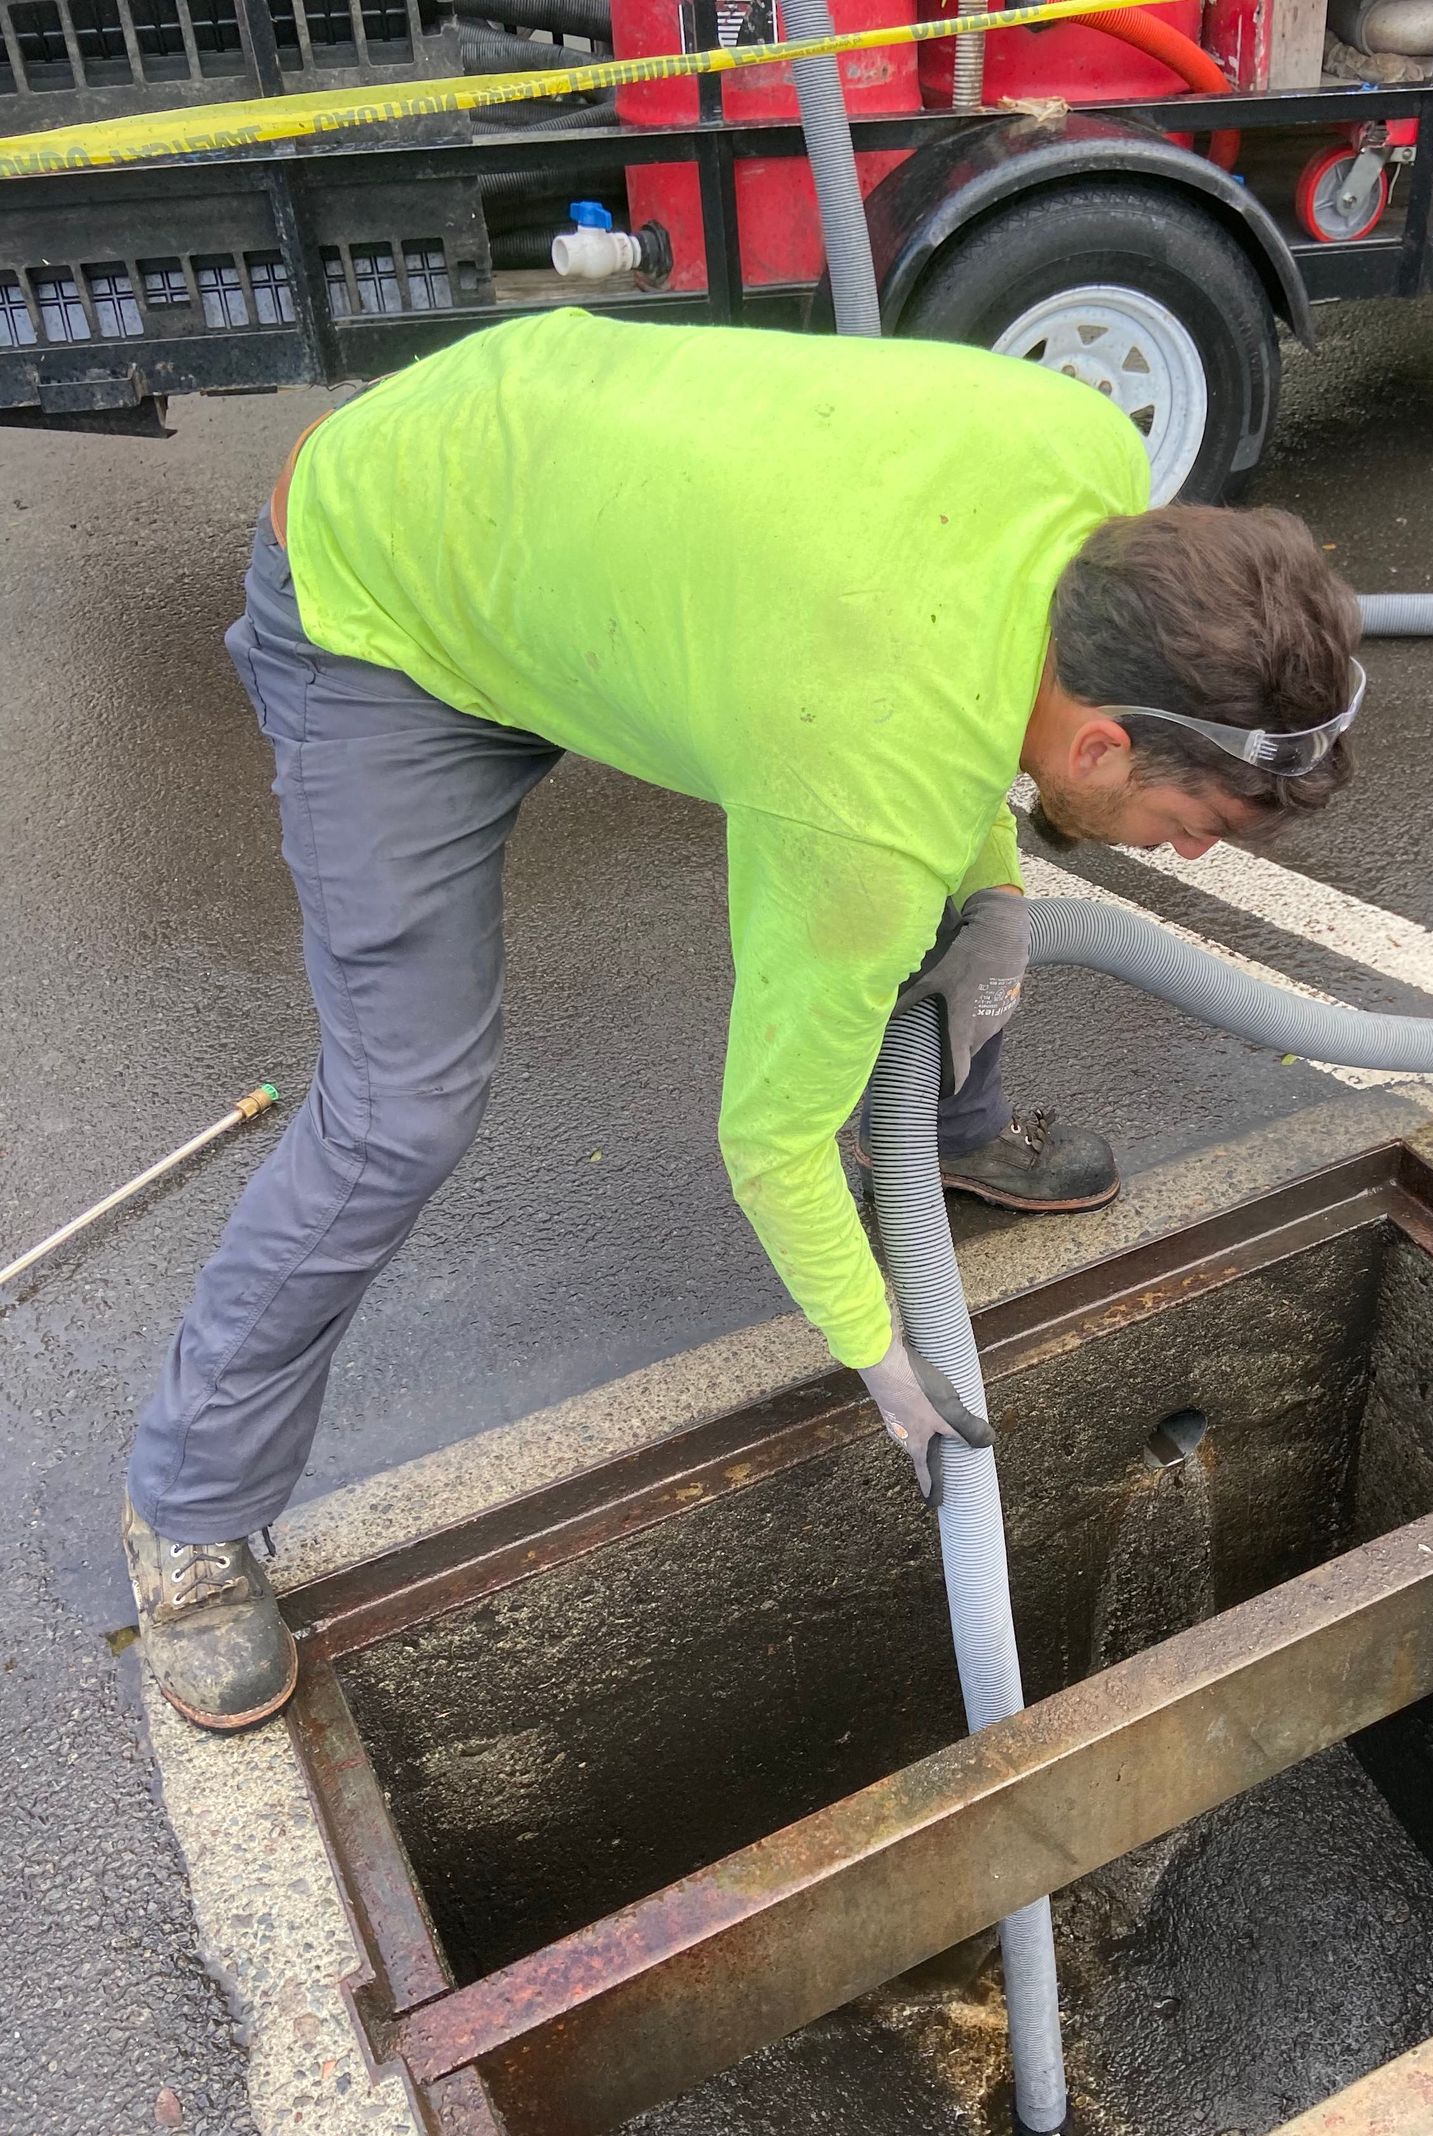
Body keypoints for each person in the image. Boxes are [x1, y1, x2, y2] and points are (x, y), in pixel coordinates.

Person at [121, 309, 1363, 1732]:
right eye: (1197, 822)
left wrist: (998, 892)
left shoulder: (1089, 461)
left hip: (574, 521)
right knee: (399, 1111)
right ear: (1103, 741)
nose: (1189, 855)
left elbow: (971, 682)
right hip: (387, 585)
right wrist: (881, 1352)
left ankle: (944, 1130)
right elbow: (770, 1140)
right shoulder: (865, 780)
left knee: (947, 889)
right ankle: (188, 1508)